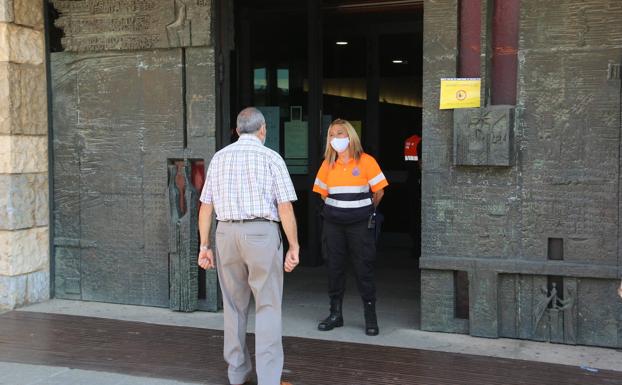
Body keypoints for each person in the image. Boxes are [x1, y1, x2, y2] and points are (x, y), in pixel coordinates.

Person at [197, 107, 299, 385]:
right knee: (267, 306)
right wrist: (294, 246)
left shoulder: (220, 157)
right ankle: (268, 379)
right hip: (261, 234)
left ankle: (237, 373)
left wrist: (204, 246)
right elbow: (285, 207)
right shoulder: (271, 157)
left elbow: (206, 207)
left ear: (237, 130)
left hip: (226, 234)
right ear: (263, 129)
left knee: (233, 306)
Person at [313, 119, 389, 336]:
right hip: (333, 224)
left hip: (359, 225)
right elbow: (322, 193)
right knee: (334, 268)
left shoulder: (366, 161)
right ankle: (335, 314)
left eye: (340, 133)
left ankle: (370, 316)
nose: (335, 138)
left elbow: (379, 191)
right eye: (331, 134)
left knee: (364, 268)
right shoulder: (327, 164)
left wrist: (364, 210)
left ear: (350, 136)